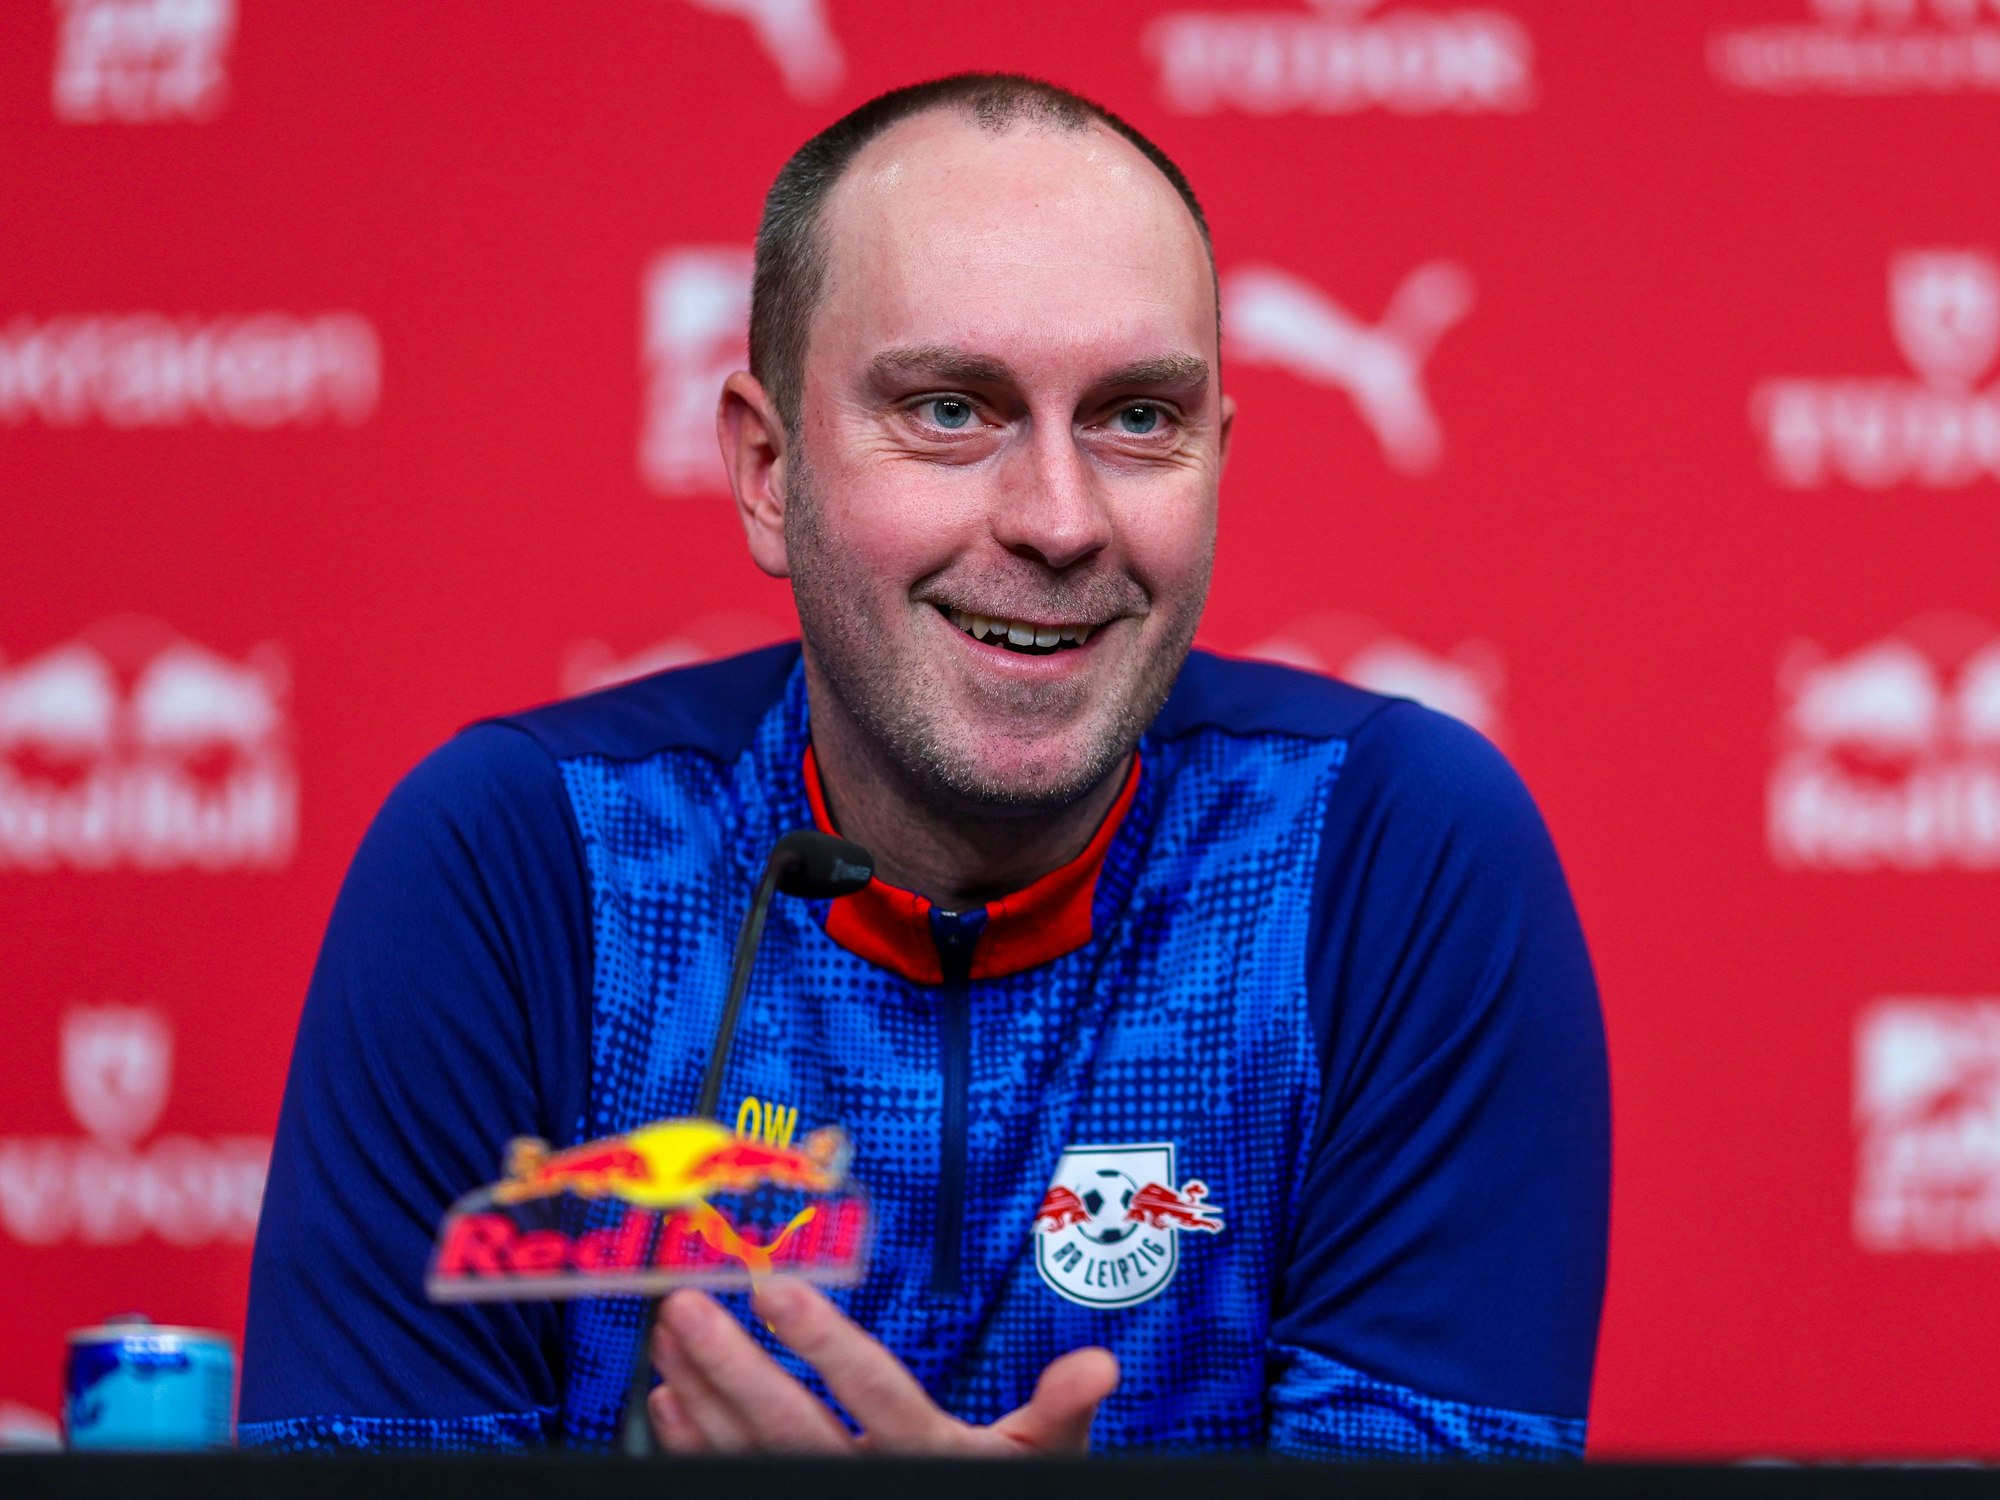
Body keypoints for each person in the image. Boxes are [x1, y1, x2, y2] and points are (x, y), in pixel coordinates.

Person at [240, 74, 1608, 1460]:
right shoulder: (526, 864)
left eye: (1138, 417)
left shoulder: (1386, 856)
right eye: (953, 411)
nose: (1061, 521)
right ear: (770, 471)